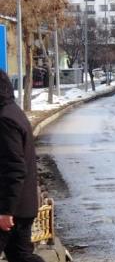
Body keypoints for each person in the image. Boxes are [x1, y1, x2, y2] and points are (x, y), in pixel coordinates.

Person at [0, 70, 45, 262]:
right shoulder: (13, 112)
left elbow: (15, 168)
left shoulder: (4, 120)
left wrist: (6, 210)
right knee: (21, 256)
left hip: (12, 210)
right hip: (22, 205)